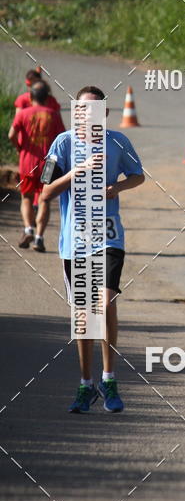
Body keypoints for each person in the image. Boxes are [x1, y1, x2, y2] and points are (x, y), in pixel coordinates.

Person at [40, 85, 145, 414]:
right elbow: (44, 192)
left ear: (106, 114)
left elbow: (138, 176)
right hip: (76, 241)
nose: (87, 116)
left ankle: (109, 378)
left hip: (109, 236)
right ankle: (86, 384)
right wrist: (76, 172)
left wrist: (117, 187)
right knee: (84, 316)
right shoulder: (64, 143)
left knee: (106, 301)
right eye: (81, 110)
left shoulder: (117, 142)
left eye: (94, 110)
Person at [8, 81, 65, 251]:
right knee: (44, 199)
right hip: (48, 164)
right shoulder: (53, 114)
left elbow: (11, 134)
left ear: (30, 97)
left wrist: (20, 148)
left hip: (27, 163)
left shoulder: (23, 114)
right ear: (47, 98)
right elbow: (62, 138)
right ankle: (39, 238)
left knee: (26, 197)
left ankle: (28, 229)